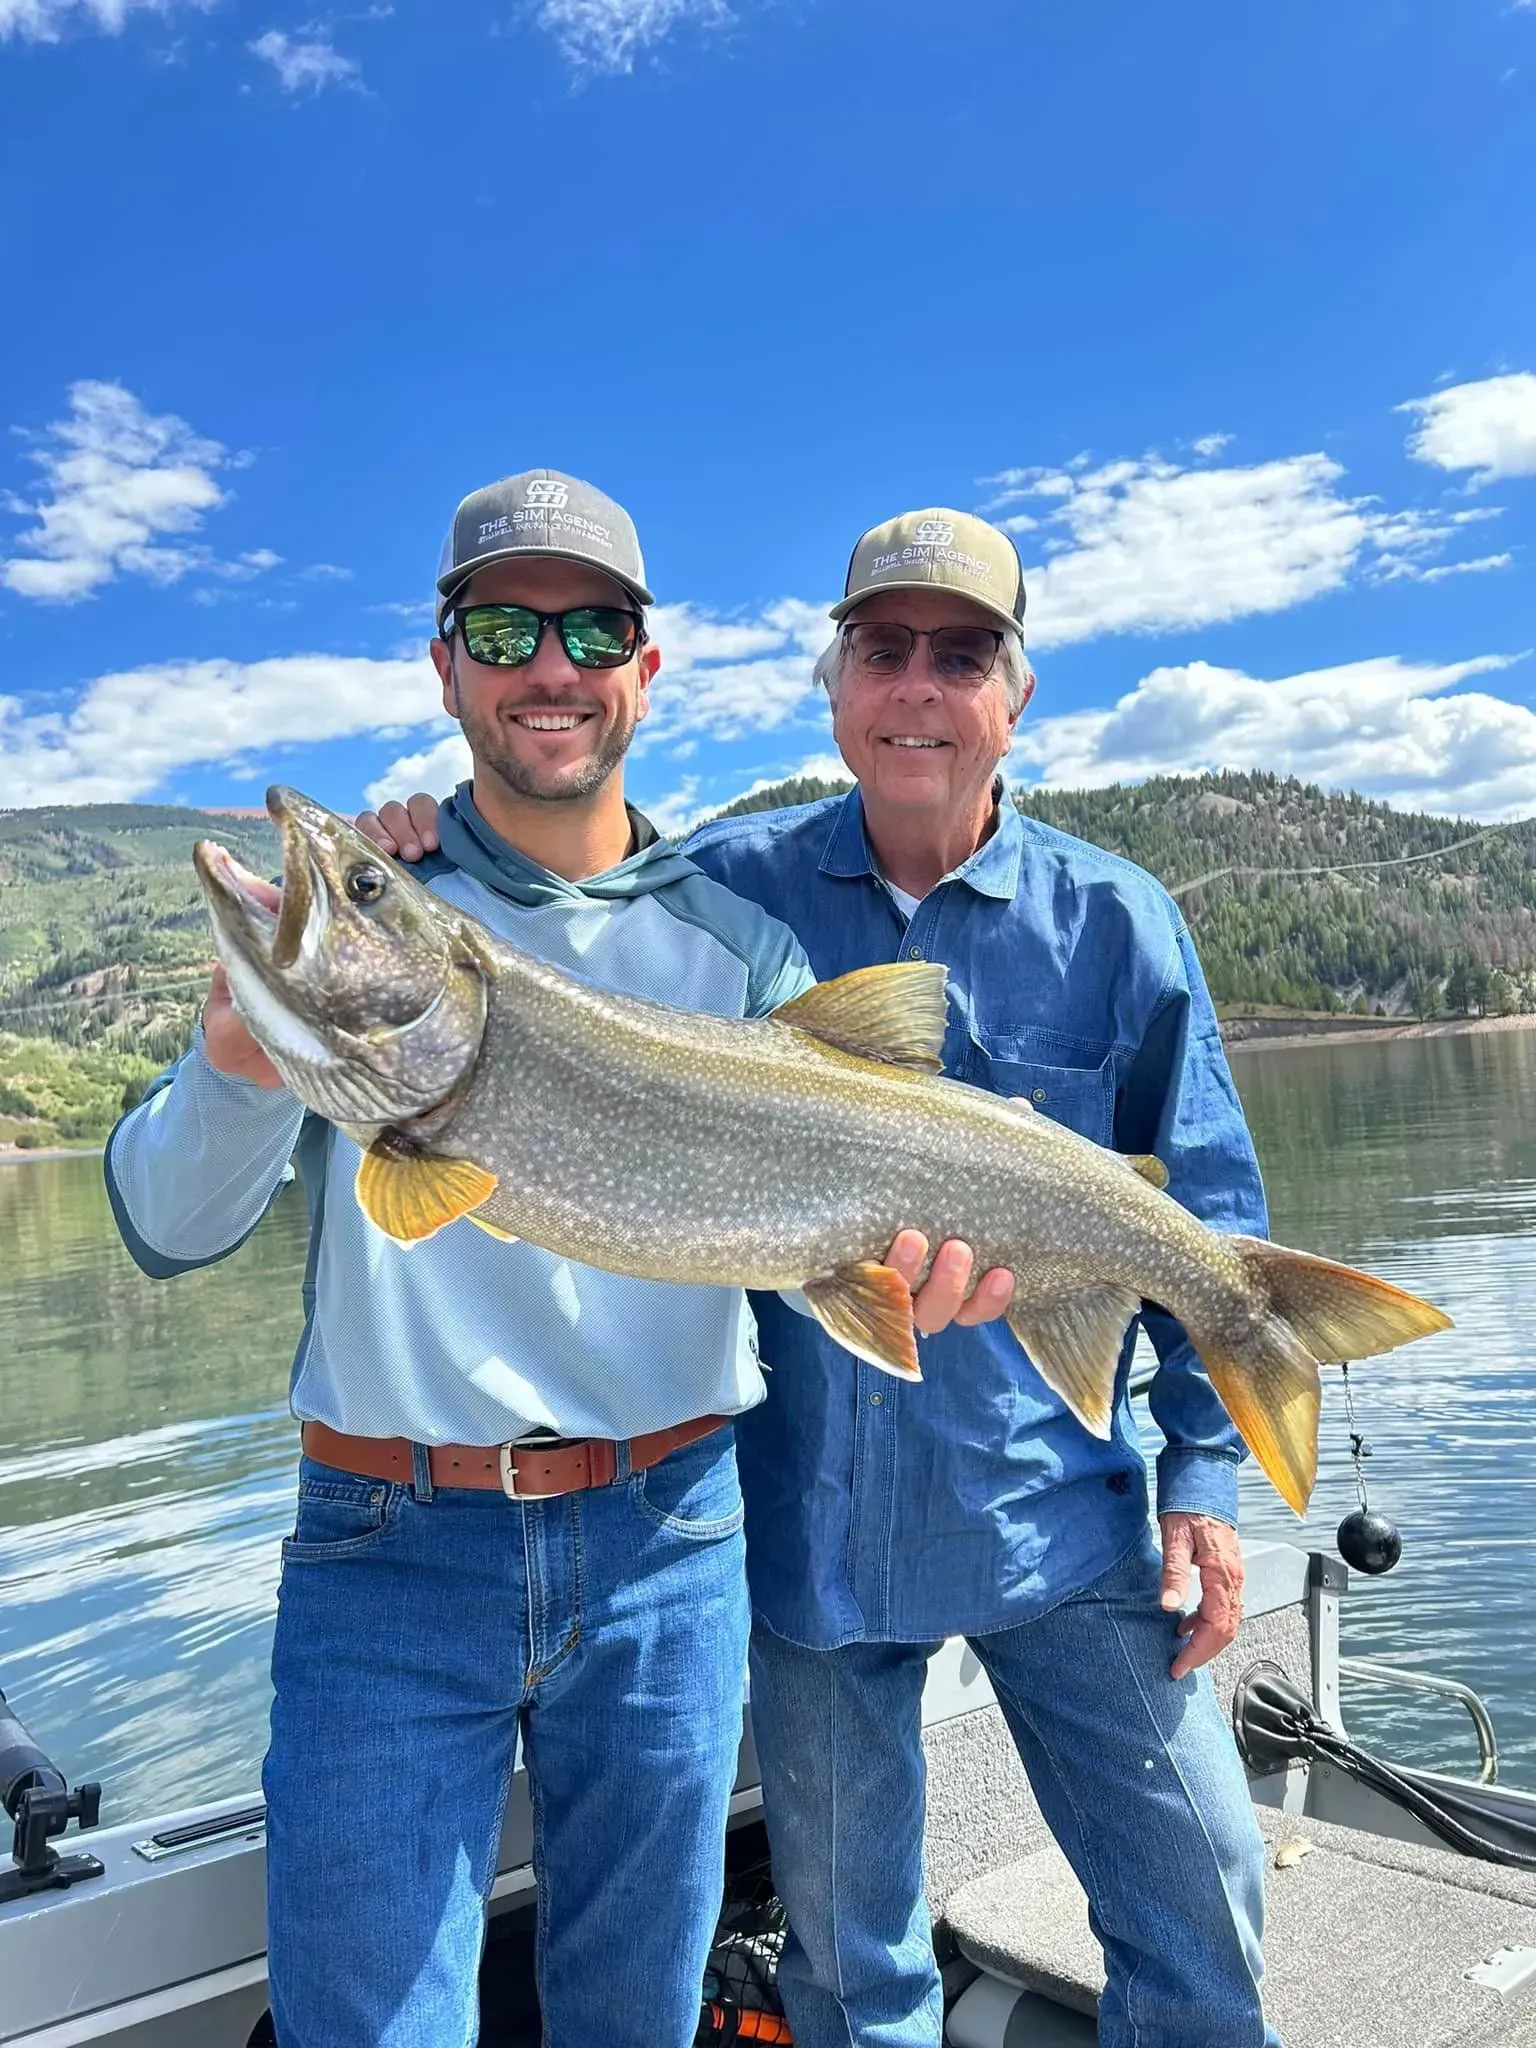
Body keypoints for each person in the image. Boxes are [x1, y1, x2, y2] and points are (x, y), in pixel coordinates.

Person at [105, 469, 1005, 2048]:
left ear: (643, 672)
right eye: (507, 625)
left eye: (593, 627)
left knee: (637, 2023)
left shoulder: (742, 949)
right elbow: (172, 1232)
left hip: (670, 1541)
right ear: (446, 663)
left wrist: (917, 1277)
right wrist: (242, 1060)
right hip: (386, 1549)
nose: (552, 666)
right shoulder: (377, 917)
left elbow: (847, 1220)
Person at [366, 505, 1281, 2048]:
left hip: (1061, 1519)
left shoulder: (1123, 922)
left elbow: (1203, 1213)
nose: (917, 684)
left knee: (1203, 1922)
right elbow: (542, 916)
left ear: (1017, 692)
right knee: (854, 1982)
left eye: (961, 652)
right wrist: (422, 846)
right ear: (835, 682)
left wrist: (1205, 1475)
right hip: (808, 1548)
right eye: (882, 649)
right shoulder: (715, 893)